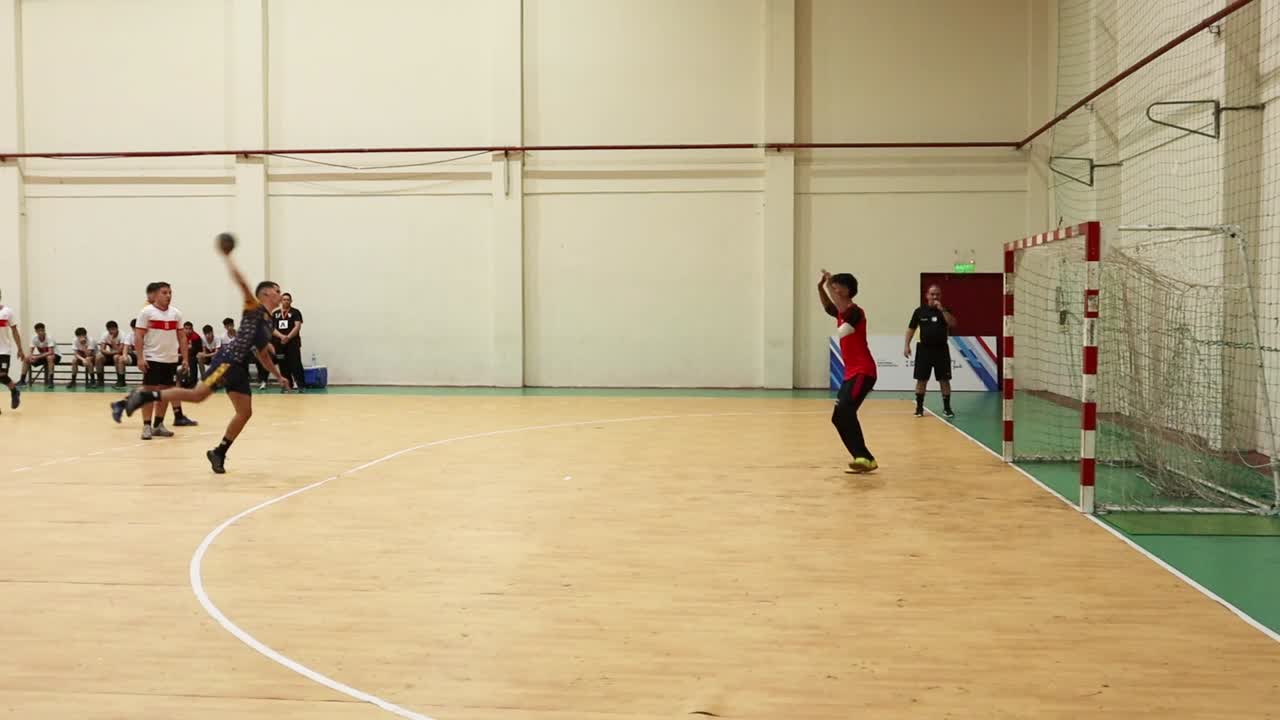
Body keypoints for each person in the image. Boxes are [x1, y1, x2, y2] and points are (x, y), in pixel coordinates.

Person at [120, 237, 291, 474]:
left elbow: (263, 354)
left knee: (245, 412)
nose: (280, 294)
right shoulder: (254, 307)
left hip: (239, 367)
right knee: (198, 395)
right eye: (276, 291)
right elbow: (242, 282)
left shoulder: (267, 320)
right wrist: (228, 257)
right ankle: (145, 398)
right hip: (228, 360)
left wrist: (278, 376)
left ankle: (218, 452)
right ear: (265, 294)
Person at [818, 270, 878, 473]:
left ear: (846, 290)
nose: (833, 289)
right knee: (838, 417)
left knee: (845, 411)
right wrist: (822, 287)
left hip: (863, 371)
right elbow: (829, 307)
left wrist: (829, 286)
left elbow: (843, 330)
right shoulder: (842, 312)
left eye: (836, 286)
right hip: (850, 373)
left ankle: (864, 457)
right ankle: (862, 457)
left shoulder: (855, 312)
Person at [904, 284, 958, 418]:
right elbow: (911, 328)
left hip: (941, 349)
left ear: (941, 296)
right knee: (921, 380)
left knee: (944, 380)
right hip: (924, 350)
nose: (935, 297)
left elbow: (952, 324)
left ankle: (947, 408)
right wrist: (906, 345)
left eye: (937, 294)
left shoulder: (945, 310)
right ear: (927, 295)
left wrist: (942, 310)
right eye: (932, 294)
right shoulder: (919, 311)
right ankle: (919, 408)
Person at [272, 292, 305, 392]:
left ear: (291, 301)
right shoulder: (275, 313)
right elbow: (271, 328)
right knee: (283, 365)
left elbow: (297, 326)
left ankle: (301, 385)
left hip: (292, 343)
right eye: (284, 299)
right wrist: (282, 337)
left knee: (295, 364)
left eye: (288, 299)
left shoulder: (295, 312)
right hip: (279, 344)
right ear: (281, 301)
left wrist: (288, 337)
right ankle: (287, 386)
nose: (286, 301)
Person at [0, 290, 22, 411]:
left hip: (4, 350)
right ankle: (14, 391)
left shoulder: (7, 312)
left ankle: (14, 390)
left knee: (2, 375)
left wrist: (20, 348)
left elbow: (14, 331)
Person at [23, 322, 58, 387]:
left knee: (49, 357)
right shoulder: (34, 338)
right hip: (44, 357)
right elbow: (31, 351)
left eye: (42, 330)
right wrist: (30, 357)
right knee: (26, 358)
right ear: (36, 331)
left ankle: (51, 381)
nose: (41, 332)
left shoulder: (49, 338)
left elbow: (51, 352)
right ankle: (22, 380)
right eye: (39, 331)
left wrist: (37, 357)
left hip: (55, 356)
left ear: (44, 330)